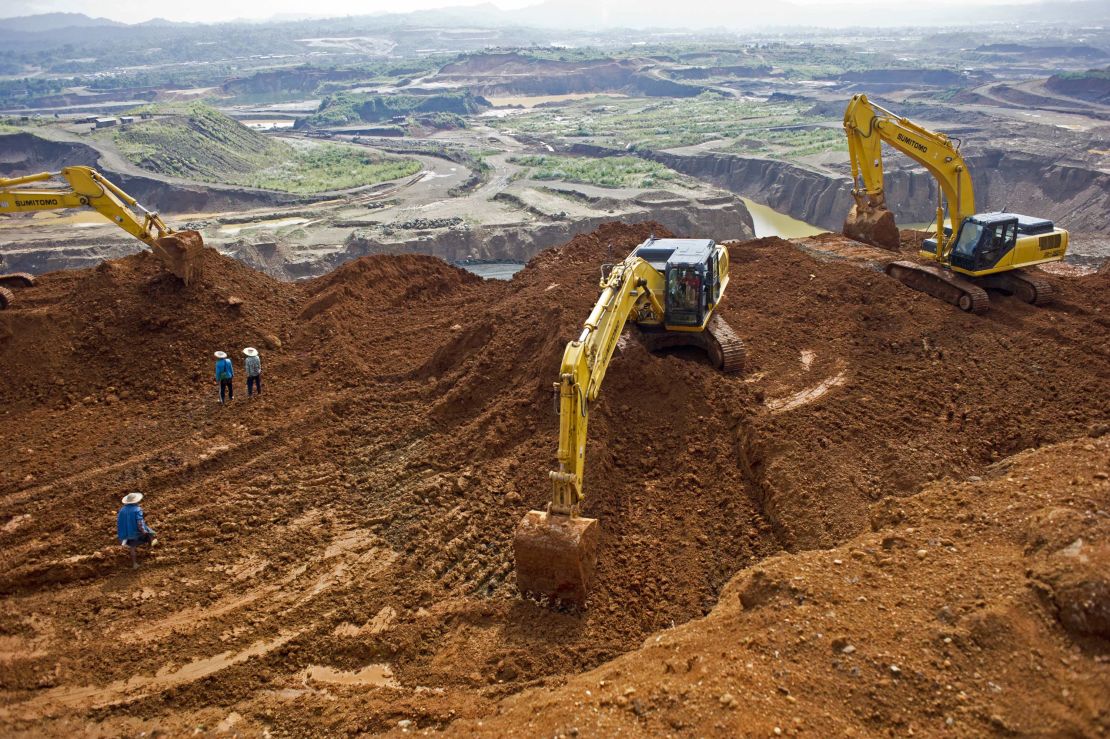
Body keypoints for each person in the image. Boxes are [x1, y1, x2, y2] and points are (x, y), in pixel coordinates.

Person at [117, 492, 156, 569]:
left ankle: (134, 564)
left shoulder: (122, 510)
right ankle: (150, 550)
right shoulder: (137, 509)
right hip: (136, 532)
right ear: (136, 501)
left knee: (132, 547)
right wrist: (144, 531)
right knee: (151, 534)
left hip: (126, 533)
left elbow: (119, 522)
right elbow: (140, 522)